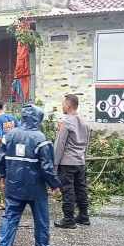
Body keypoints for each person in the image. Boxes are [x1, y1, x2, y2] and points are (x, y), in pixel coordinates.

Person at [0, 104, 61, 246]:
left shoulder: (10, 135)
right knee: (41, 219)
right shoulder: (41, 139)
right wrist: (55, 185)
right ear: (38, 119)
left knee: (9, 217)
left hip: (14, 185)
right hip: (36, 188)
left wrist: (2, 175)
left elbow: (0, 157)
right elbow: (47, 167)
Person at [53, 94, 91, 229]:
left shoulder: (67, 123)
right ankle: (84, 215)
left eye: (63, 104)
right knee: (81, 188)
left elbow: (59, 145)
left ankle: (68, 218)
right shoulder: (85, 122)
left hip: (67, 162)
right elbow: (87, 144)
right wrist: (83, 160)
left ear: (68, 106)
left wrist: (55, 164)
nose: (62, 106)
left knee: (68, 189)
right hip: (80, 161)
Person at [0, 99, 20, 210]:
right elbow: (19, 131)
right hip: (14, 151)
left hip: (2, 152)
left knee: (2, 178)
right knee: (13, 176)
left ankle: (5, 203)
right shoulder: (13, 117)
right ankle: (15, 201)